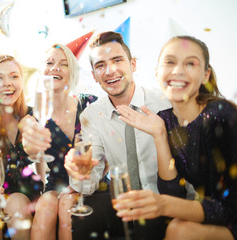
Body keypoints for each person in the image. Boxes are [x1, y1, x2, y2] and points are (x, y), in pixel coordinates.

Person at [114, 36, 237, 240]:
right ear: (157, 72)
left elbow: (230, 208)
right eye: (170, 62)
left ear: (205, 75)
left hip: (231, 215)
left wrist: (162, 205)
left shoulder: (221, 116)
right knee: (177, 227)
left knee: (179, 229)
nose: (178, 70)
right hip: (219, 214)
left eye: (190, 63)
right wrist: (159, 134)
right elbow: (174, 195)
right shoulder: (166, 120)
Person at [64, 31, 176, 240]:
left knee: (147, 224)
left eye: (117, 60)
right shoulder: (91, 115)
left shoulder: (165, 102)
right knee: (82, 219)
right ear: (94, 76)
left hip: (165, 198)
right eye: (100, 65)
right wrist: (81, 172)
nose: (110, 70)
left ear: (133, 64)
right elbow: (89, 183)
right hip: (121, 202)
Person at [21, 43, 97, 240]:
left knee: (67, 204)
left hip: (92, 181)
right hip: (57, 184)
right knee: (46, 204)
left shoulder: (90, 103)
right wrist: (27, 134)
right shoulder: (35, 115)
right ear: (41, 71)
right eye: (49, 62)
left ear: (71, 72)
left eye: (63, 64)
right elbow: (26, 130)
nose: (55, 68)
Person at [0, 55, 43, 240]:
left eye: (14, 76)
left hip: (30, 195)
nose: (7, 83)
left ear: (22, 81)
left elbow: (44, 163)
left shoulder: (33, 117)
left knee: (17, 202)